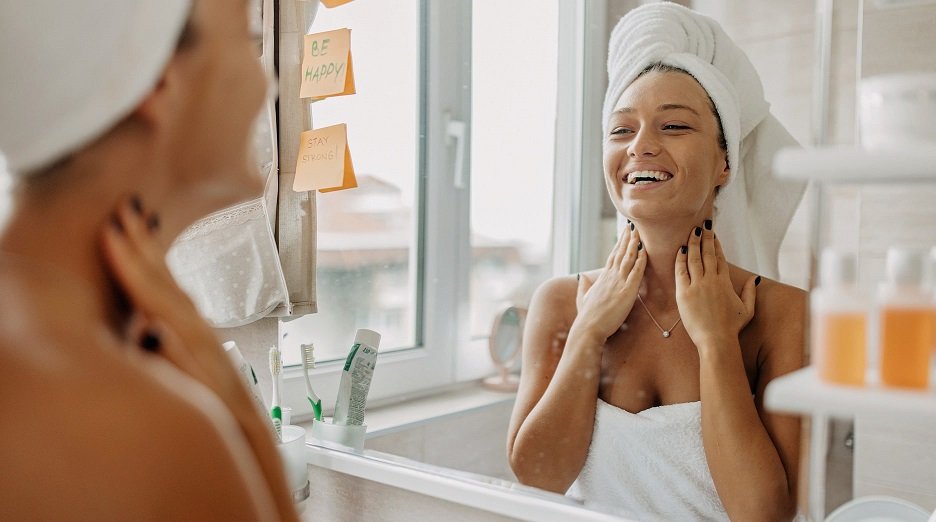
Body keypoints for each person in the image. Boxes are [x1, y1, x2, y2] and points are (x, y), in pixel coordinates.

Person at [507, 4, 807, 521]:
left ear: (725, 162)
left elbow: (763, 515)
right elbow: (538, 478)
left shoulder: (783, 313)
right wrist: (587, 333)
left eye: (673, 125)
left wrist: (717, 342)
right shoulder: (561, 302)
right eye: (621, 131)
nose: (641, 146)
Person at [0, 1, 299, 520]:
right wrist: (237, 410)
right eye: (248, 40)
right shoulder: (158, 434)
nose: (267, 83)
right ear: (159, 79)